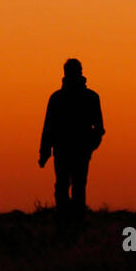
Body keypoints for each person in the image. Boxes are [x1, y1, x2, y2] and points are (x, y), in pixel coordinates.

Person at [39, 58, 105, 222]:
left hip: (78, 150)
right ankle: (66, 221)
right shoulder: (57, 98)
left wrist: (89, 146)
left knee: (76, 186)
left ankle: (74, 222)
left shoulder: (90, 98)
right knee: (64, 186)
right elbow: (48, 128)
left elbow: (99, 128)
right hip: (63, 150)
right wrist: (44, 152)